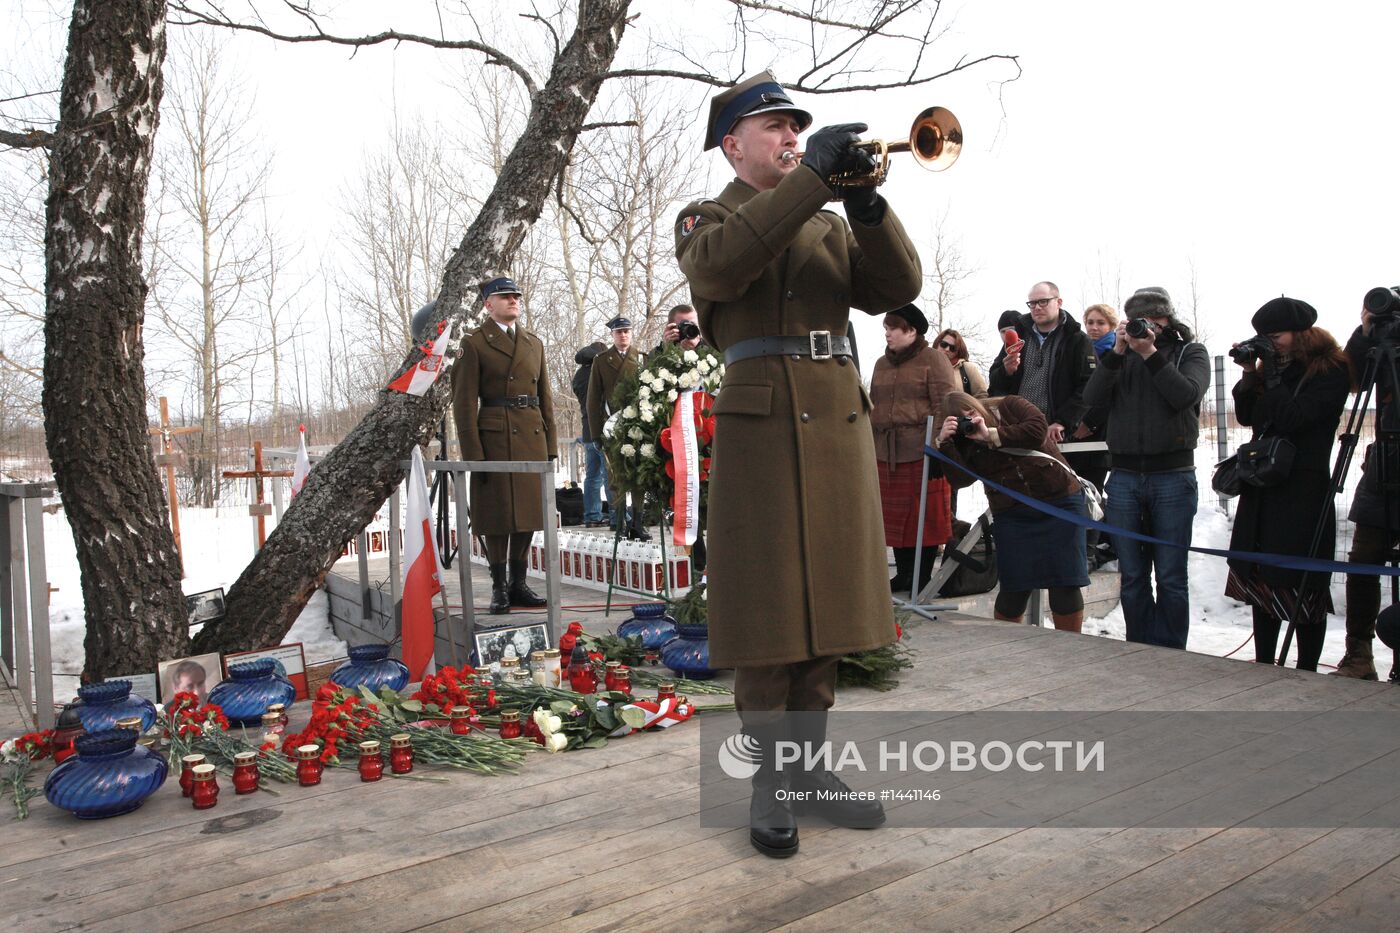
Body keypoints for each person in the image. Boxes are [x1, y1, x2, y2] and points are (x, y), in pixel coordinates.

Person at [675, 70, 921, 858]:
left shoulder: (825, 220)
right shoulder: (708, 216)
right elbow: (723, 268)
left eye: (796, 127)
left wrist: (865, 203)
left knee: (829, 611)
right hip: (763, 422)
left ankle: (811, 771)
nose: (788, 136)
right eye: (774, 126)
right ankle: (769, 780)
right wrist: (814, 177)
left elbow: (897, 286)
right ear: (733, 143)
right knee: (772, 610)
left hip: (836, 420)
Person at [1225, 297, 1352, 671]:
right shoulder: (1273, 370)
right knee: (1262, 578)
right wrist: (1252, 373)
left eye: (1275, 336)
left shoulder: (1331, 370)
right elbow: (1249, 416)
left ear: (1301, 334)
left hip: (1303, 493)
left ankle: (1306, 670)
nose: (1270, 343)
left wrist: (1275, 377)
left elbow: (1296, 418)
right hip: (1264, 485)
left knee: (1302, 584)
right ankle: (1265, 663)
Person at [1083, 286, 1210, 649]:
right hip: (1123, 477)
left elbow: (1185, 395)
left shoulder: (1190, 352)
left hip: (1173, 476)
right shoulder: (1120, 357)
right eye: (1137, 322)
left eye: (1151, 321)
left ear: (1167, 320)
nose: (1144, 329)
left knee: (1170, 575)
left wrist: (1151, 353)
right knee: (1133, 574)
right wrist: (1118, 353)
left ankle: (1170, 653)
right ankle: (1139, 647)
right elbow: (1091, 400)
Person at [938, 391, 1090, 630]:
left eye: (971, 412)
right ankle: (1007, 645)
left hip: (1060, 502)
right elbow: (960, 480)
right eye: (962, 420)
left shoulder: (1009, 406)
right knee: (1014, 589)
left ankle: (1071, 647)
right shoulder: (963, 441)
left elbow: (1037, 430)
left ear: (977, 404)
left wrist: (991, 434)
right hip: (1012, 515)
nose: (972, 420)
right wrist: (946, 444)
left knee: (1066, 583)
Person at [451, 275, 557, 615]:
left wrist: (551, 445)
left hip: (531, 434)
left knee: (527, 514)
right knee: (497, 515)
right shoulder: (475, 343)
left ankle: (518, 583)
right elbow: (464, 403)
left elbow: (546, 398)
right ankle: (498, 587)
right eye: (505, 296)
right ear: (488, 304)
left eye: (516, 296)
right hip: (494, 437)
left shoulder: (533, 343)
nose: (513, 300)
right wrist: (474, 456)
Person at [1333, 300, 1399, 680]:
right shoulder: (1385, 338)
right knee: (1362, 564)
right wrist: (1368, 328)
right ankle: (1358, 655)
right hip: (1385, 464)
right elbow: (1354, 380)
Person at [872, 304, 957, 596]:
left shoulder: (933, 359)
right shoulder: (881, 364)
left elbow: (945, 404)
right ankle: (905, 573)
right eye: (886, 327)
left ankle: (921, 576)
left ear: (911, 330)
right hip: (885, 450)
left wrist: (936, 448)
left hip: (921, 450)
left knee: (924, 516)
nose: (887, 334)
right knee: (895, 519)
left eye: (892, 328)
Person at [988, 282, 1097, 447]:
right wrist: (1006, 371)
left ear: (1059, 302)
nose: (1037, 307)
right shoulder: (1018, 336)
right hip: (1015, 428)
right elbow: (994, 382)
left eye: (1043, 301)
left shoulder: (1077, 340)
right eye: (1032, 303)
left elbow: (1088, 387)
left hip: (1054, 433)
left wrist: (1063, 422)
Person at [587, 316, 650, 541]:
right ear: (612, 335)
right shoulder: (602, 361)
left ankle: (638, 522)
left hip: (638, 427)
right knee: (615, 477)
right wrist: (596, 432)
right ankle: (620, 521)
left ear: (631, 333)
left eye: (626, 331)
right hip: (612, 427)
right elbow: (593, 399)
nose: (623, 335)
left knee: (639, 476)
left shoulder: (643, 359)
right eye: (619, 332)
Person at [572, 339, 611, 527]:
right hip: (604, 430)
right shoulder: (600, 372)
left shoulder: (579, 376)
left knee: (592, 477)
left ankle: (592, 516)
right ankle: (617, 517)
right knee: (610, 475)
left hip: (587, 431)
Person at [933, 328, 988, 399]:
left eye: (953, 348)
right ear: (937, 343)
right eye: (944, 344)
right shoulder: (924, 367)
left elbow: (982, 396)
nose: (947, 349)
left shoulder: (967, 368)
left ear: (958, 351)